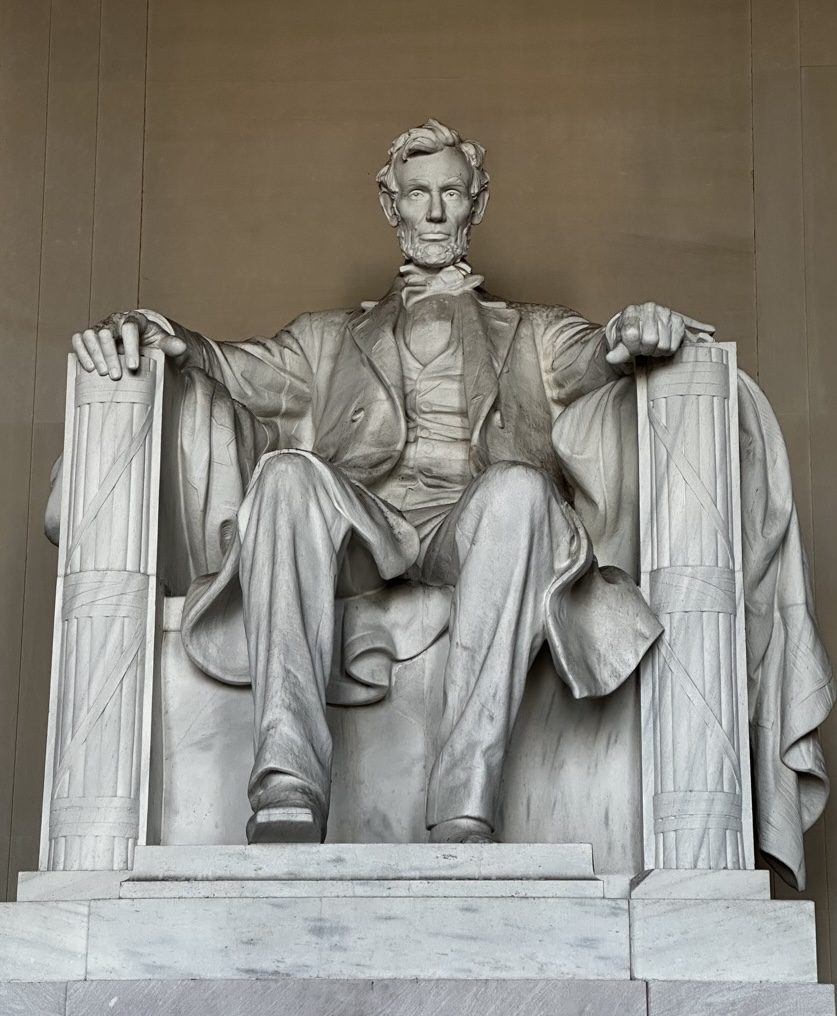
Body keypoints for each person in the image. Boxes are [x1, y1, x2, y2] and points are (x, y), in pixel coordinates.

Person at [67, 121, 832, 882]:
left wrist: (638, 328)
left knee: (519, 490)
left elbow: (603, 354)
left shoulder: (532, 333)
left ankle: (464, 806)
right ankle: (285, 785)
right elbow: (229, 368)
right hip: (362, 532)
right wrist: (157, 333)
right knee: (287, 475)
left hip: (474, 533)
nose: (434, 212)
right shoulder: (327, 340)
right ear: (389, 204)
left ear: (477, 204)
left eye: (451, 194)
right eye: (416, 194)